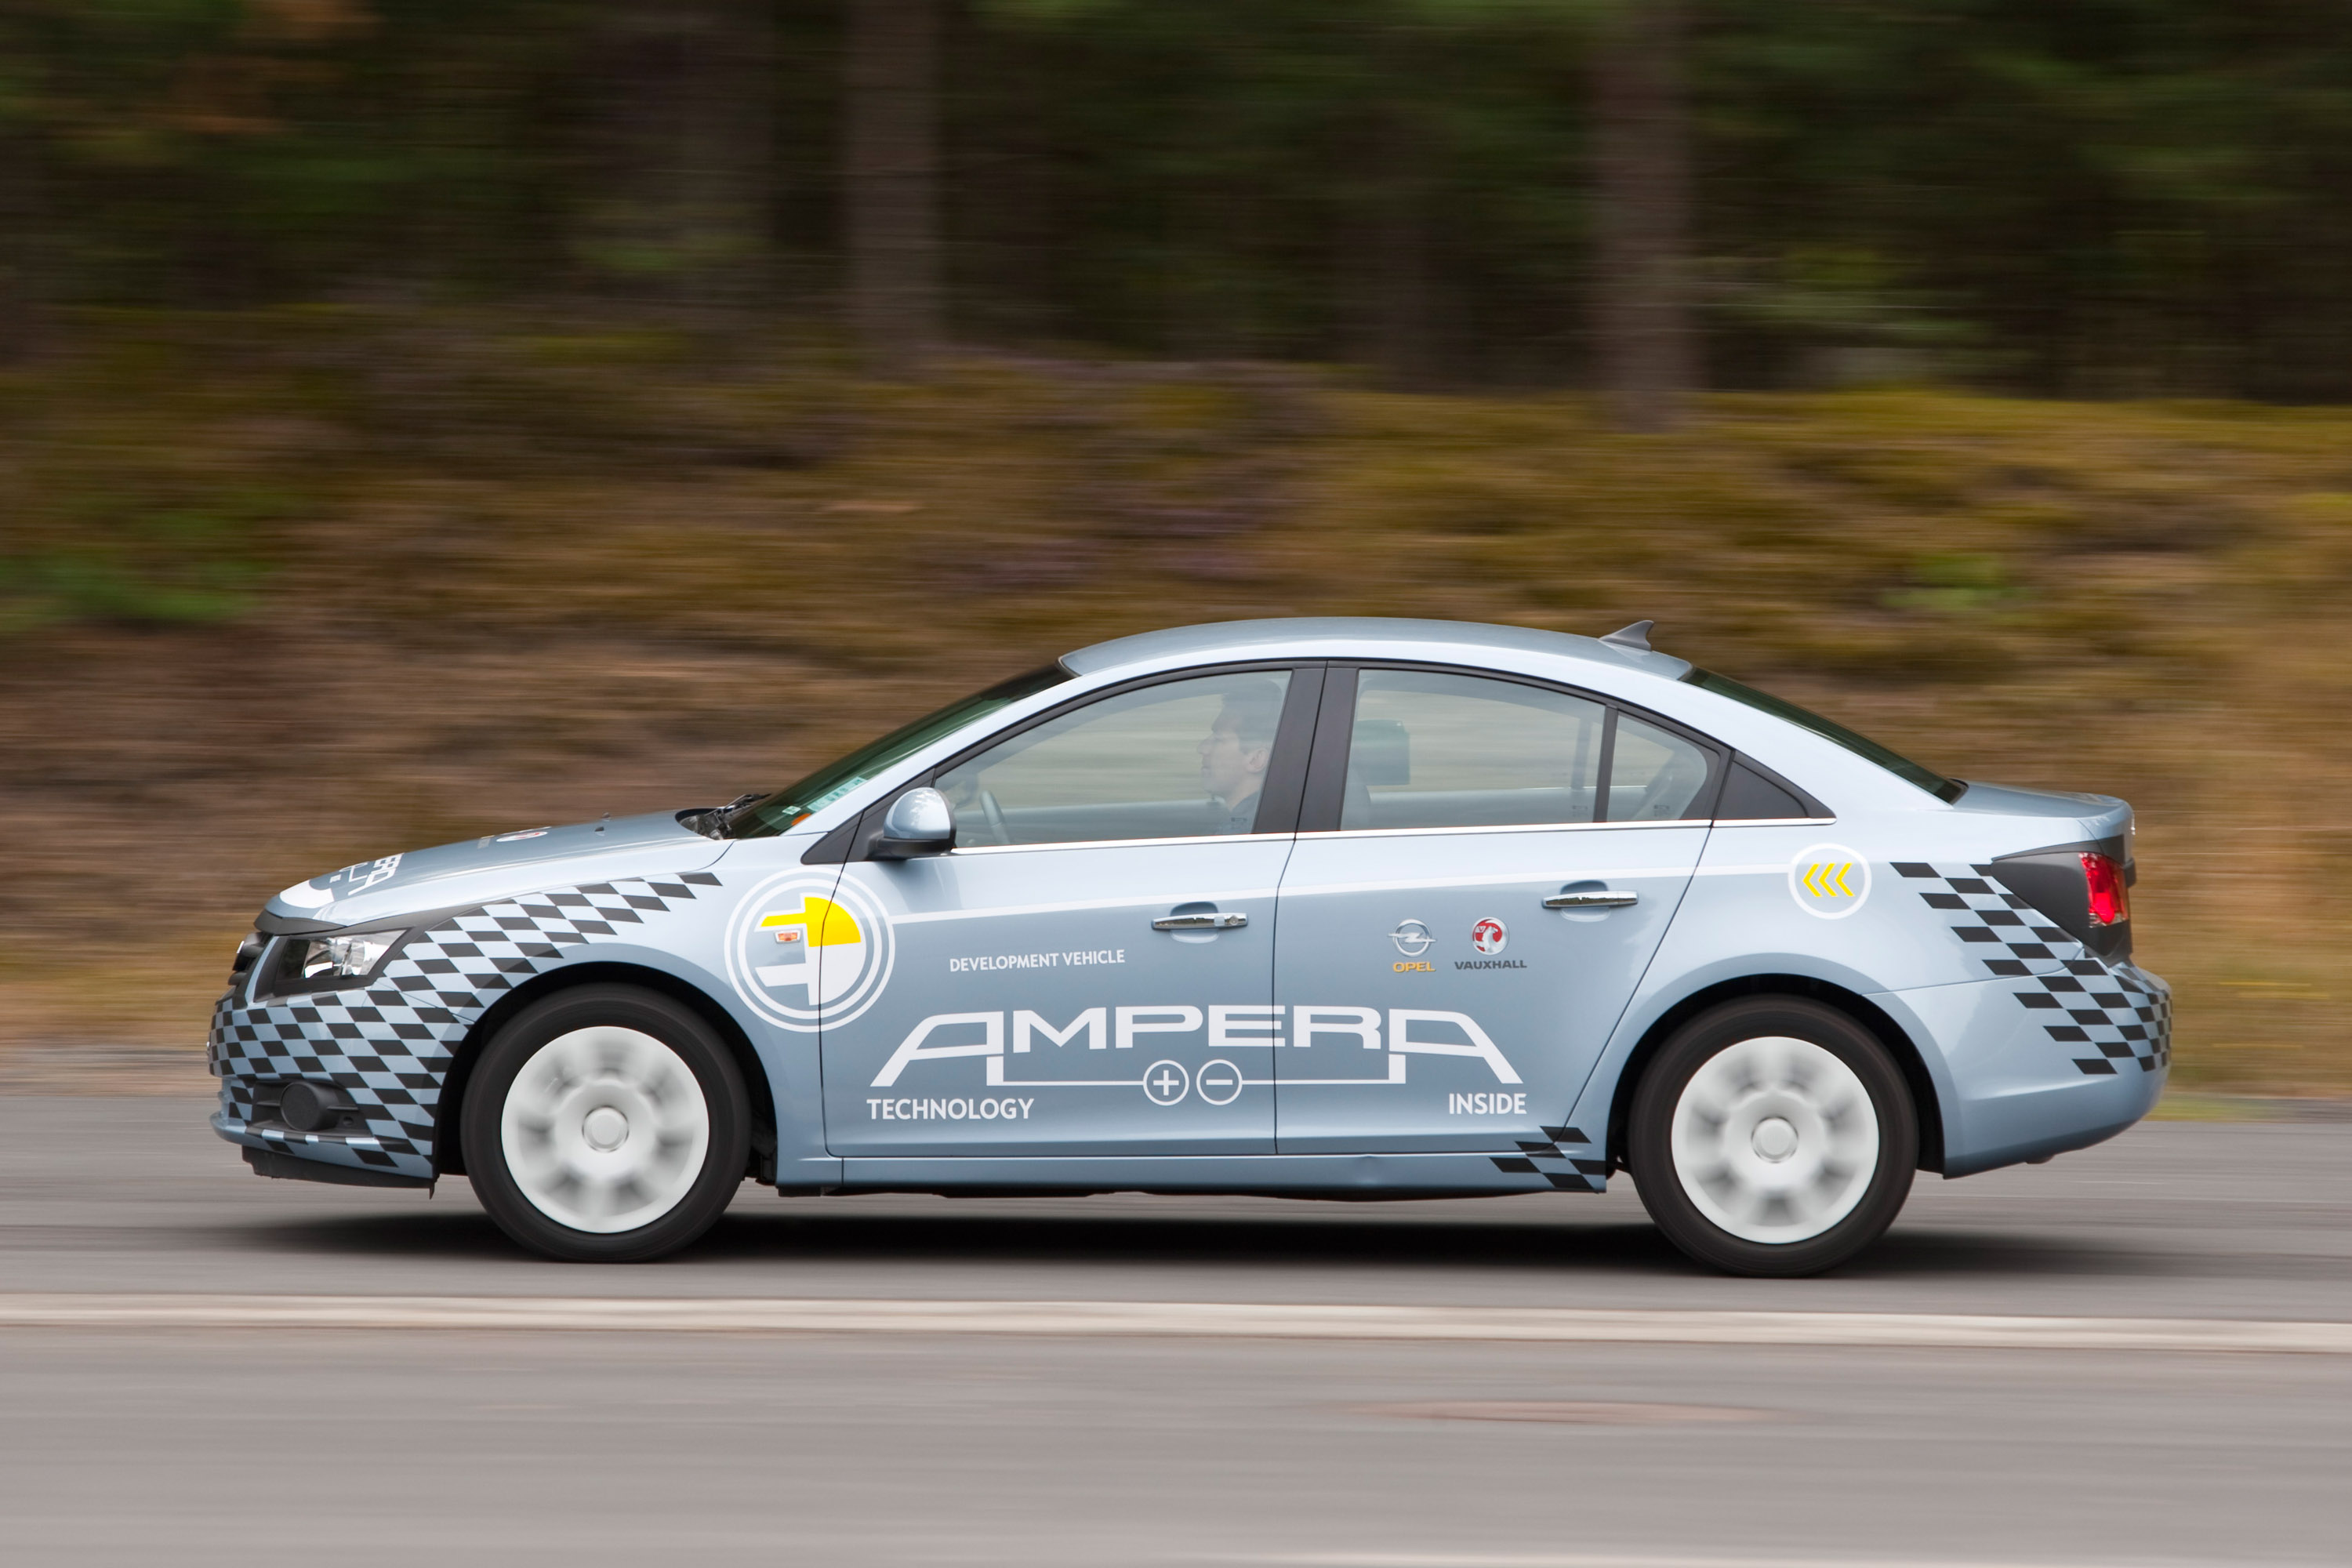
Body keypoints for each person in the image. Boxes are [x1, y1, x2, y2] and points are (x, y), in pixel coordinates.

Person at [1198, 680, 1284, 833]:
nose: (1202, 748)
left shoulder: (1242, 833)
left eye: (1218, 739)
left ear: (1256, 760)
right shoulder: (1265, 820)